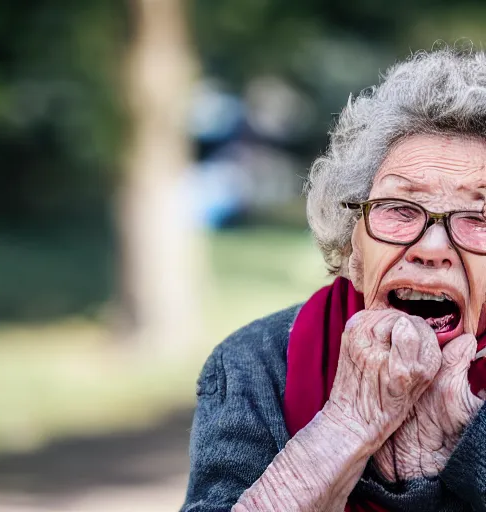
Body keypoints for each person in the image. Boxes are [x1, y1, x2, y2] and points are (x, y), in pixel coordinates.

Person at [181, 47, 486, 511]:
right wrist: (344, 428)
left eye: (478, 217)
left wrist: (465, 449)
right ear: (352, 248)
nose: (431, 249)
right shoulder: (256, 363)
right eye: (400, 209)